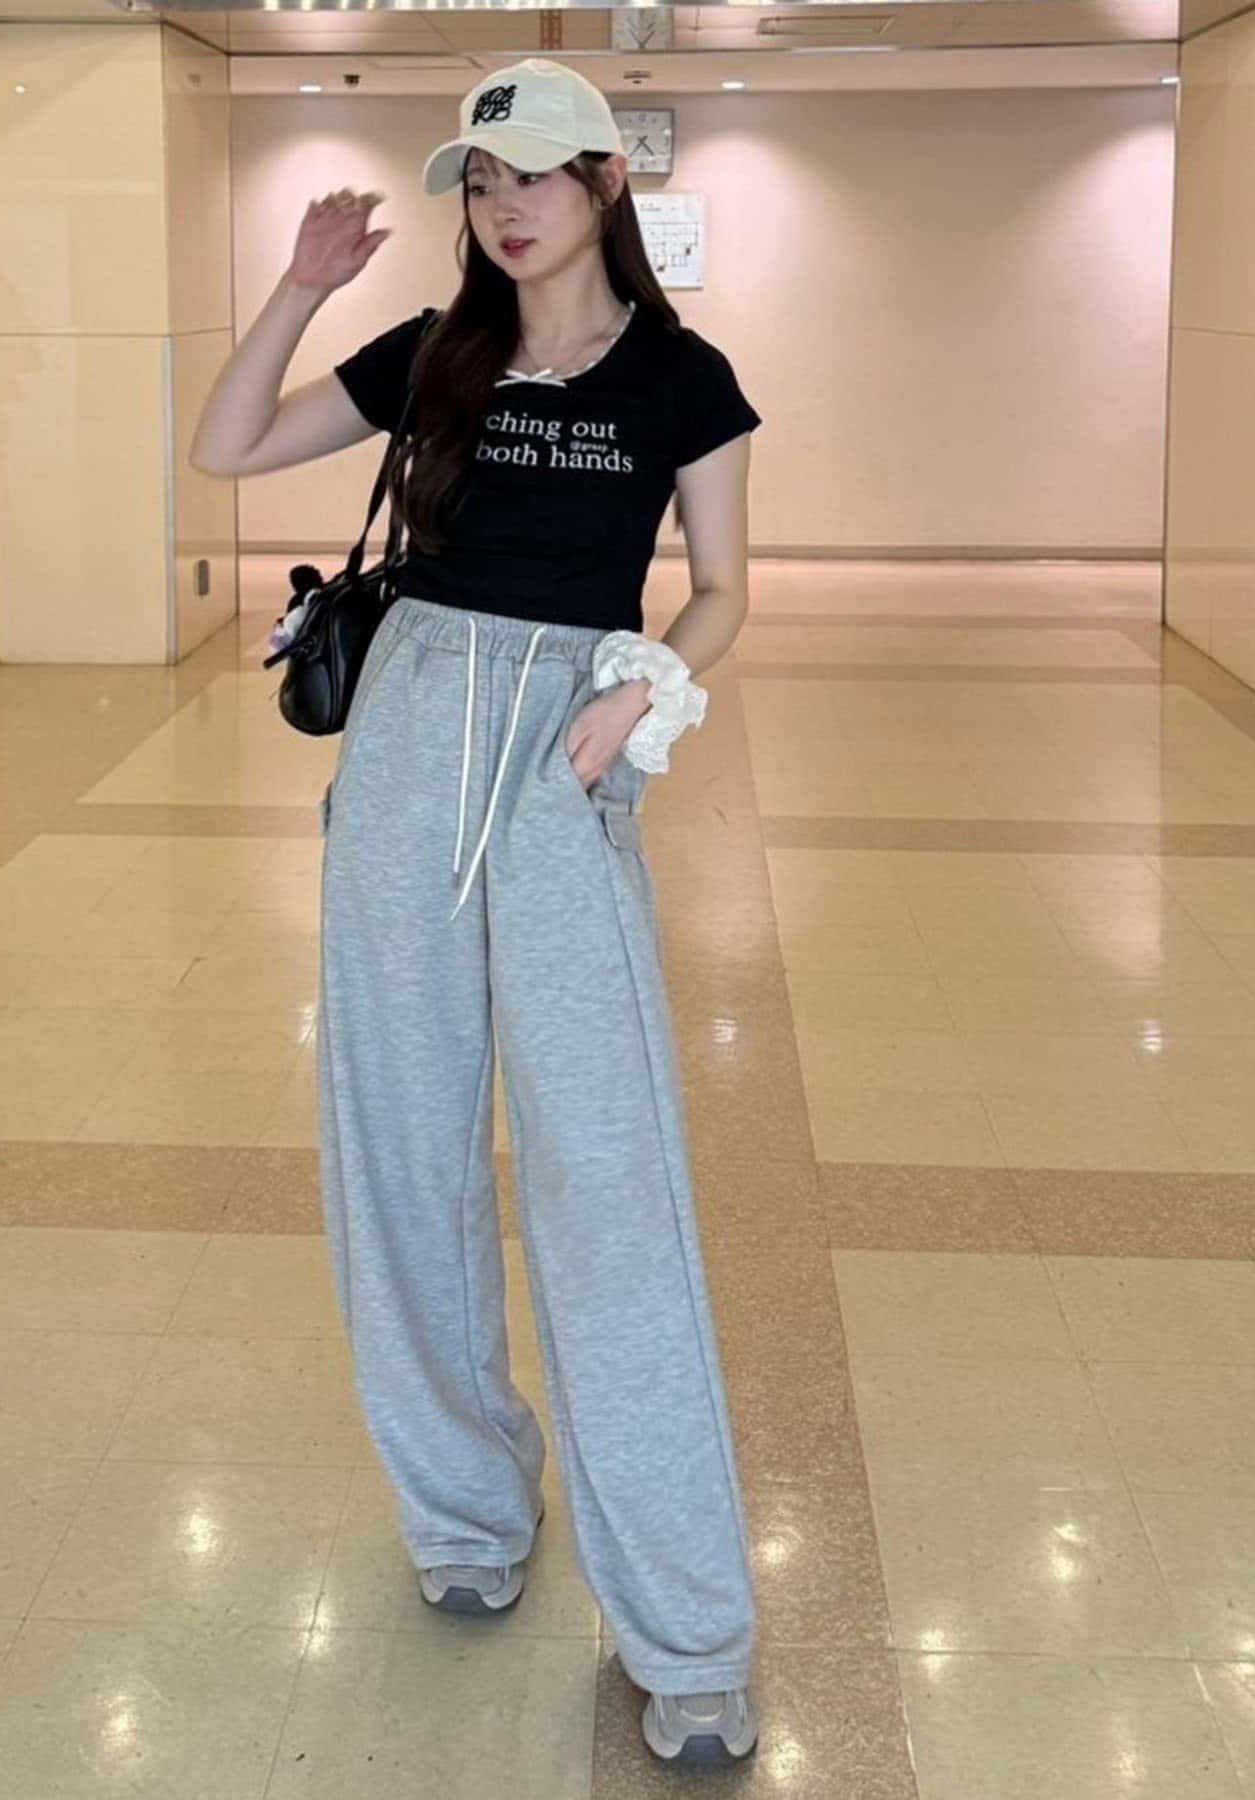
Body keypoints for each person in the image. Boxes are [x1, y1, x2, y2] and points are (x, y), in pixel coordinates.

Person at [191, 56, 762, 1770]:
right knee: (399, 1139)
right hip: (409, 736)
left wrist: (648, 684)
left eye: (534, 175)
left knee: (607, 1169)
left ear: (605, 183)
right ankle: (463, 1506)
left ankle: (688, 1625)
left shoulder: (680, 376)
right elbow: (225, 446)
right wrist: (300, 284)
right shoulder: (434, 354)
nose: (504, 208)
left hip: (565, 753)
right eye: (480, 182)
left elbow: (726, 588)